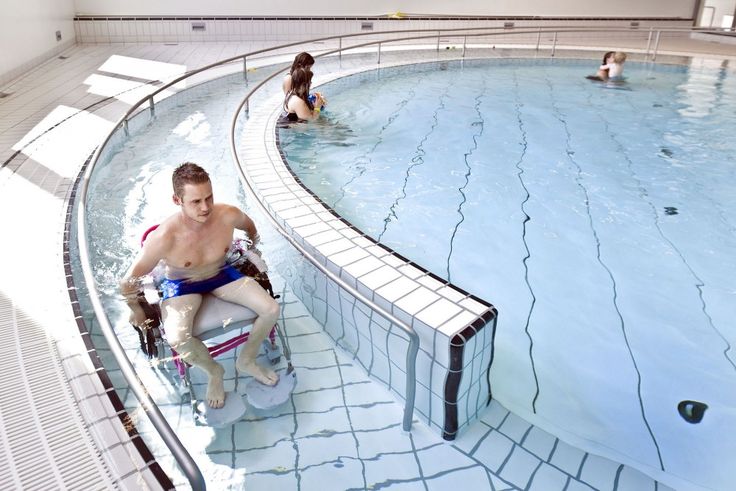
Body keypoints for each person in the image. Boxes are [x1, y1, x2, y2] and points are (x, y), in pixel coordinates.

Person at [120, 163, 280, 409]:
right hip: (183, 285)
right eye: (196, 202)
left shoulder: (227, 215)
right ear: (177, 200)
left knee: (271, 309)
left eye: (209, 198)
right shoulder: (164, 238)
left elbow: (250, 228)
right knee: (176, 337)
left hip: (221, 273)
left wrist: (254, 247)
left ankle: (246, 360)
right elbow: (127, 281)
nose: (205, 207)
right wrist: (136, 310)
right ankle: (214, 372)